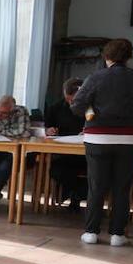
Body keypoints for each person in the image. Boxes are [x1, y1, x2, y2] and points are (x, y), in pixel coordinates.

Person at [72, 38, 133, 247]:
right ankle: (118, 234)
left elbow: (78, 106)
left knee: (96, 186)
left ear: (106, 56)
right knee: (122, 187)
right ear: (128, 57)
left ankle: (91, 232)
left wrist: (91, 115)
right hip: (131, 138)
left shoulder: (95, 77)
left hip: (98, 137)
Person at [45, 77, 88, 209]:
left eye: (73, 100)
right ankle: (76, 193)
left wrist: (89, 131)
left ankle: (75, 194)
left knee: (100, 174)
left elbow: (96, 124)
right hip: (64, 154)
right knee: (55, 171)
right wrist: (49, 130)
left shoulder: (91, 108)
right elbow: (47, 127)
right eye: (68, 99)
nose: (70, 103)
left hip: (87, 155)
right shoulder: (56, 108)